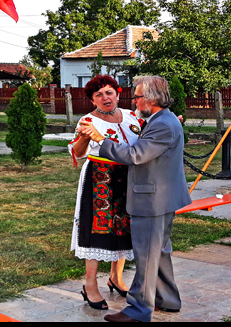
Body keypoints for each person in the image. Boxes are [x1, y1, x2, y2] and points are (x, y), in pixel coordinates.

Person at [80, 75, 192, 323]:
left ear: (150, 98)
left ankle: (138, 311)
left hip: (152, 199)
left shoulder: (162, 123)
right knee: (160, 252)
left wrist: (101, 139)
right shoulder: (161, 120)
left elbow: (136, 155)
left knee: (147, 256)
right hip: (160, 197)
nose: (134, 100)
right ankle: (168, 300)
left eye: (138, 96)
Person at [68, 75, 141, 310]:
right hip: (99, 179)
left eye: (109, 92)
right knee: (96, 230)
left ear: (118, 94)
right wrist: (83, 137)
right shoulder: (88, 120)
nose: (105, 98)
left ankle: (116, 278)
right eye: (98, 95)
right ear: (92, 100)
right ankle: (90, 284)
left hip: (128, 177)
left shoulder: (132, 116)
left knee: (124, 226)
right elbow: (78, 153)